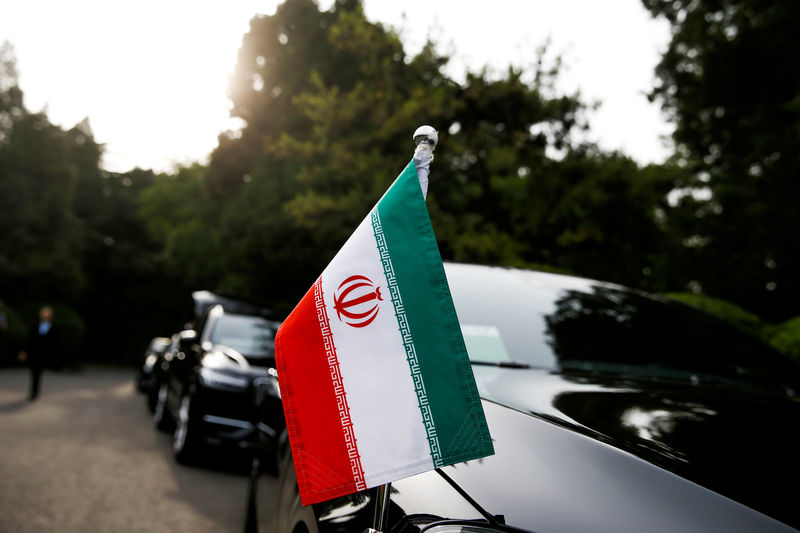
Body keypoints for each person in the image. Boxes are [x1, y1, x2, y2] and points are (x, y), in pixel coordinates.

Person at [18, 306, 60, 401]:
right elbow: (29, 339)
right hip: (34, 353)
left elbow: (55, 343)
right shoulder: (36, 326)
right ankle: (34, 392)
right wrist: (24, 351)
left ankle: (35, 392)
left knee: (37, 373)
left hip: (44, 355)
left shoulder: (53, 328)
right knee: (35, 373)